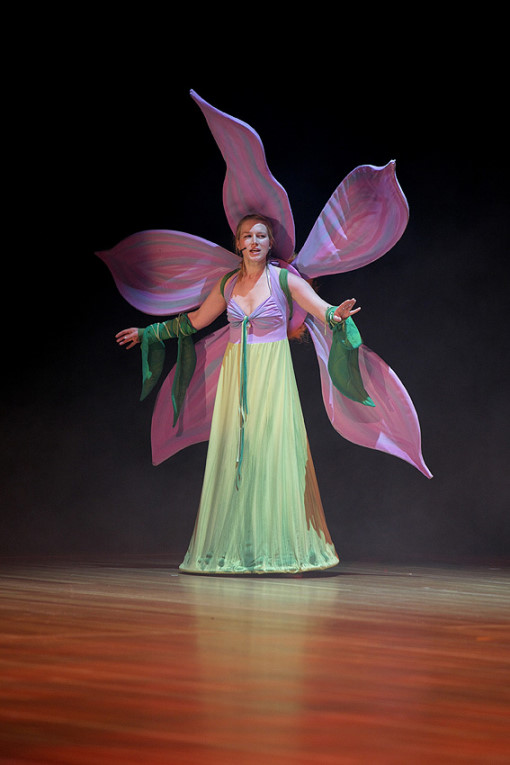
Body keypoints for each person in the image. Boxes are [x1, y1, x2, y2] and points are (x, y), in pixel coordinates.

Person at [116, 213, 362, 575]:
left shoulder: (284, 280)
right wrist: (148, 333)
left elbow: (323, 311)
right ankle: (238, 550)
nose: (254, 242)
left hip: (272, 376)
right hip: (236, 378)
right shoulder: (228, 284)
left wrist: (337, 317)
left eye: (261, 236)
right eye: (248, 236)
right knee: (237, 457)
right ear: (238, 243)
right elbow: (194, 321)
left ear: (270, 243)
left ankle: (281, 550)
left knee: (272, 453)